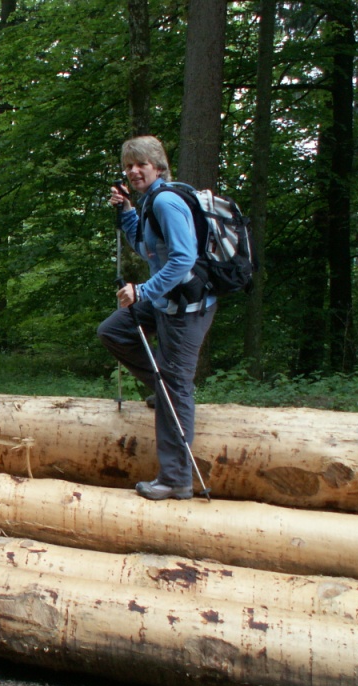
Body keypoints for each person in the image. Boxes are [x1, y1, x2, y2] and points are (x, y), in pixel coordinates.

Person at [97, 135, 216, 501]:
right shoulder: (150, 201)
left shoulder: (166, 201)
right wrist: (127, 211)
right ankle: (164, 389)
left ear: (159, 167)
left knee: (175, 387)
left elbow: (183, 259)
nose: (133, 171)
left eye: (141, 164)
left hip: (185, 307)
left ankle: (176, 480)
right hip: (165, 300)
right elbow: (146, 247)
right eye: (128, 165)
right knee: (114, 331)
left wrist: (143, 290)